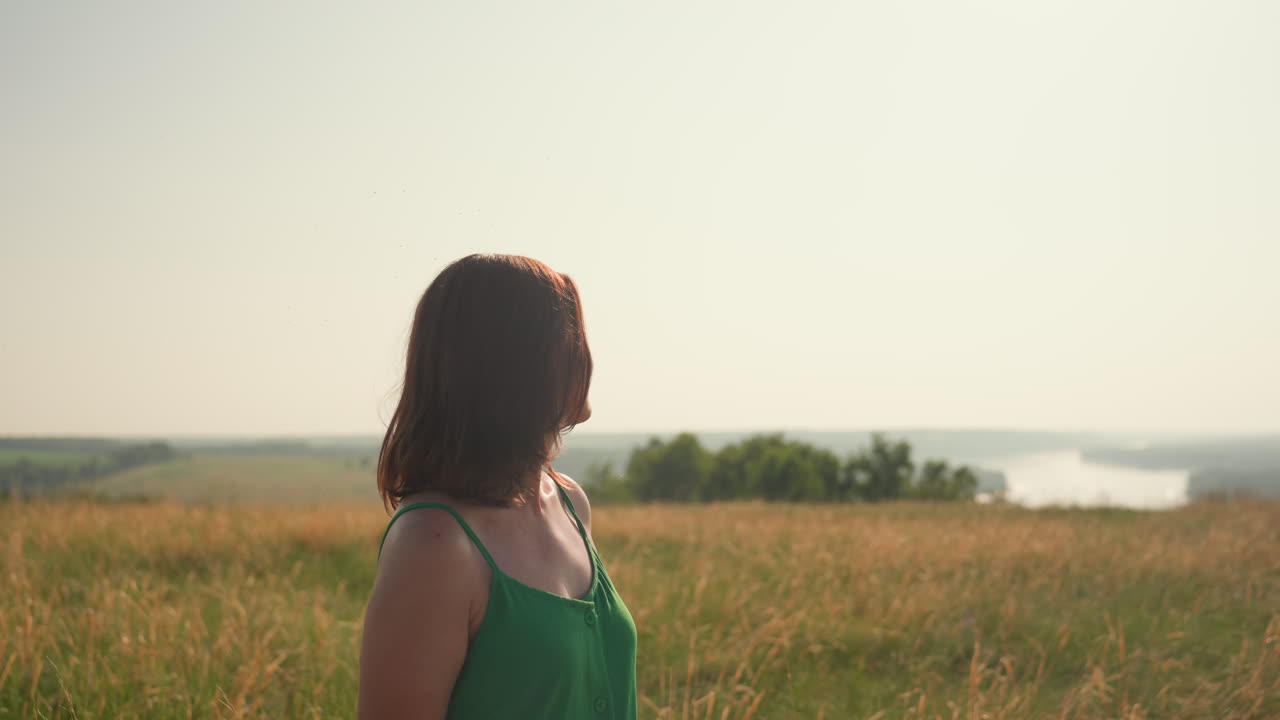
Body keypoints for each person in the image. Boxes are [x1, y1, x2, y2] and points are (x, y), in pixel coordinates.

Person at [358, 254, 637, 720]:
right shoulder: (434, 544)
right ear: (519, 363)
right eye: (570, 339)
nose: (587, 357)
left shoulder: (568, 502)